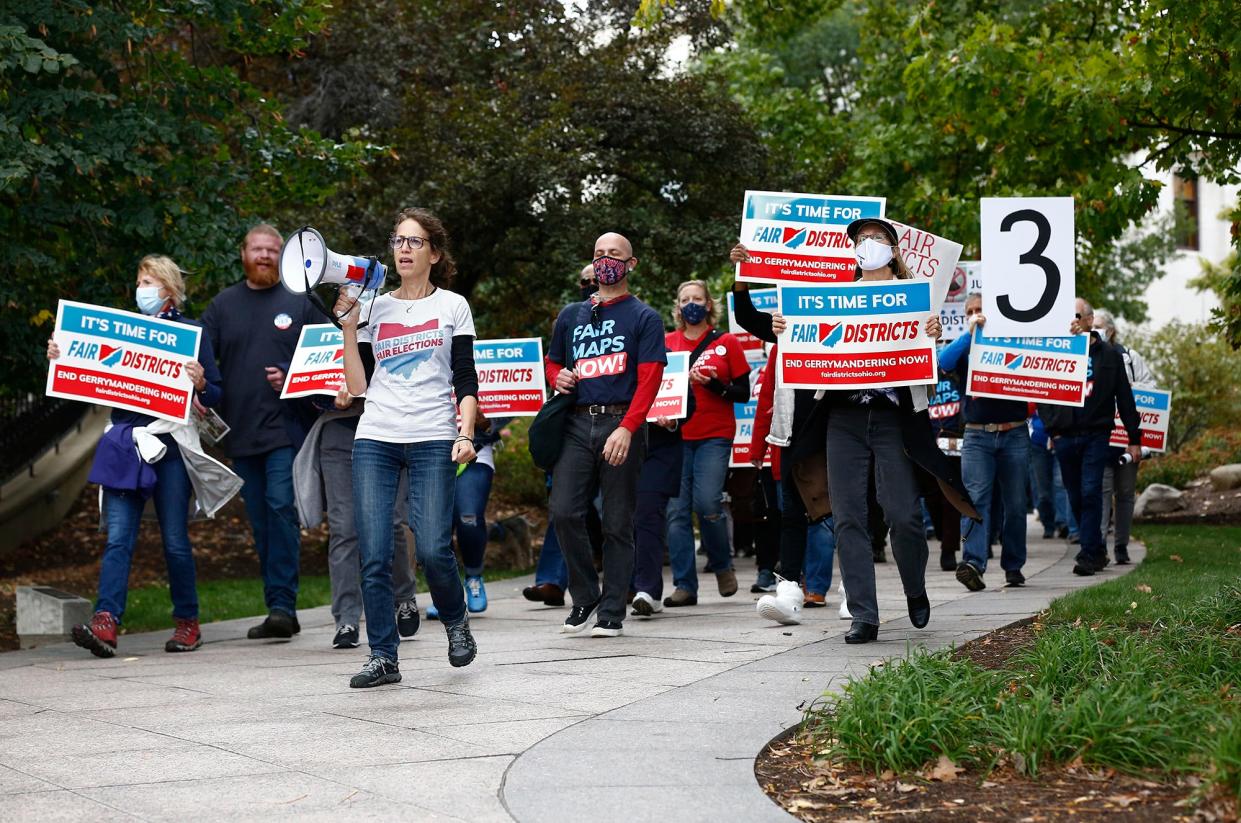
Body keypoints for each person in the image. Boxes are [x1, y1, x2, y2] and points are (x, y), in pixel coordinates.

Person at [780, 218, 978, 643]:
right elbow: (806, 349)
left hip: (894, 418)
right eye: (862, 239)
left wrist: (931, 334)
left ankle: (914, 588)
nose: (869, 245)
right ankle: (864, 615)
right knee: (849, 517)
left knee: (903, 514)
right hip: (843, 418)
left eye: (878, 239)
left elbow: (928, 367)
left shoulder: (914, 300)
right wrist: (788, 330)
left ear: (893, 249)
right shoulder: (835, 298)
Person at [336, 207, 480, 688]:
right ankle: (383, 656)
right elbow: (357, 387)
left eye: (415, 241)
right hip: (376, 435)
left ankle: (456, 620)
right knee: (374, 552)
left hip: (434, 436)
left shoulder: (453, 306)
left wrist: (465, 433)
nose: (403, 248)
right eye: (398, 240)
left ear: (434, 254)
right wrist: (349, 327)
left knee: (435, 548)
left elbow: (465, 377)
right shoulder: (375, 306)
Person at [55, 255, 224, 657]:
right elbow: (83, 368)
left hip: (171, 447)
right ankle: (106, 622)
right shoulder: (127, 333)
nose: (142, 288)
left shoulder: (193, 333)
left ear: (168, 288)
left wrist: (200, 381)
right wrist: (61, 355)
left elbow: (216, 393)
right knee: (118, 538)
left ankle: (188, 622)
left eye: (148, 280)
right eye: (139, 280)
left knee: (175, 541)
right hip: (127, 444)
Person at [544, 232, 666, 637]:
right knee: (563, 510)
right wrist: (556, 376)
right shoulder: (572, 314)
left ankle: (613, 608)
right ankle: (584, 598)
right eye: (598, 255)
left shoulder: (644, 317)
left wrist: (629, 428)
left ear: (631, 264)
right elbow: (552, 363)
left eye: (614, 255)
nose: (605, 261)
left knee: (617, 522)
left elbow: (650, 379)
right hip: (577, 423)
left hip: (620, 422)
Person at [201, 224, 320, 640]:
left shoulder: (301, 301)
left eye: (273, 249)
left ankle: (284, 605)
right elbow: (199, 361)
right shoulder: (221, 306)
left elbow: (326, 358)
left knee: (281, 507)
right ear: (244, 253)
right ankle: (277, 606)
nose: (266, 255)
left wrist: (291, 378)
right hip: (241, 433)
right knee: (261, 519)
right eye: (258, 249)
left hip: (287, 431)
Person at [292, 387, 420, 649]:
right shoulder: (320, 342)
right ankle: (346, 619)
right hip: (339, 433)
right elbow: (306, 382)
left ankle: (404, 596)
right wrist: (328, 399)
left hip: (390, 430)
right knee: (344, 528)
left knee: (391, 521)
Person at [662, 280, 750, 607]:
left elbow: (744, 393)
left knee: (708, 503)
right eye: (685, 299)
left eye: (697, 298)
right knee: (676, 512)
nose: (691, 304)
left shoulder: (726, 342)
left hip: (715, 434)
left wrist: (715, 385)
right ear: (678, 306)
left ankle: (722, 565)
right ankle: (685, 585)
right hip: (675, 436)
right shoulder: (666, 343)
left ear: (708, 304)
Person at [1038, 298, 1141, 577]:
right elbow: (1042, 391)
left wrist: (1134, 438)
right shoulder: (1057, 351)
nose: (1071, 322)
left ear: (1088, 320)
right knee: (1075, 494)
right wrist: (1051, 427)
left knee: (1091, 490)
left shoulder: (1109, 356)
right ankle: (1096, 550)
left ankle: (1086, 554)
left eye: (1076, 315)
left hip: (1096, 434)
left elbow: (1125, 398)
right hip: (1065, 435)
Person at [938, 293, 1032, 590]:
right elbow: (943, 361)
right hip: (977, 434)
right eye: (970, 311)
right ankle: (973, 563)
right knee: (975, 502)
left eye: (980, 310)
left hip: (1014, 432)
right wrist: (969, 334)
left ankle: (1014, 565)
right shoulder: (964, 346)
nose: (976, 314)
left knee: (1016, 504)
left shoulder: (1011, 340)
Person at [427, 415, 511, 618]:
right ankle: (444, 593)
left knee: (469, 518)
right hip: (430, 451)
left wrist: (487, 422)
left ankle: (474, 577)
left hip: (476, 450)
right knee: (438, 524)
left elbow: (512, 398)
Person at [1093, 308, 1155, 565]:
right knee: (1103, 493)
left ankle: (1121, 546)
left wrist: (1129, 389)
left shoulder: (1129, 358)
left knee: (1126, 493)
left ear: (1111, 330)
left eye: (1099, 326)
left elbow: (1151, 389)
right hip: (1102, 438)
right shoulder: (1087, 357)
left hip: (1128, 439)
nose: (1095, 330)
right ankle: (1098, 548)